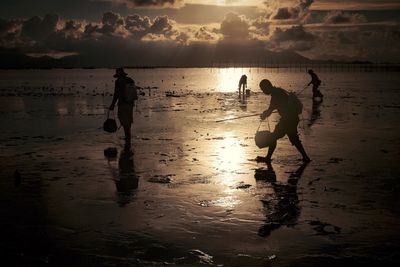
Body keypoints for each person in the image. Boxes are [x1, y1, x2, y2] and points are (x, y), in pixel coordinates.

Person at [259, 79, 311, 163]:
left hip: (288, 120)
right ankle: (305, 157)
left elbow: (270, 110)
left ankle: (268, 158)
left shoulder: (275, 95)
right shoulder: (279, 91)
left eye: (263, 89)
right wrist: (267, 113)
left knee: (273, 137)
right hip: (292, 118)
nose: (263, 91)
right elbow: (275, 107)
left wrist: (264, 115)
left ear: (267, 87)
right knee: (294, 139)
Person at [109, 68, 137, 151]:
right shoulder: (130, 80)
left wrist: (112, 104)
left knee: (124, 120)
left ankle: (127, 137)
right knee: (128, 120)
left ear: (118, 75)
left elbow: (116, 94)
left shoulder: (118, 82)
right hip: (130, 103)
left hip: (122, 103)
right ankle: (128, 136)